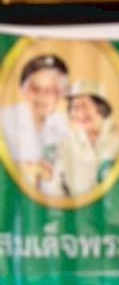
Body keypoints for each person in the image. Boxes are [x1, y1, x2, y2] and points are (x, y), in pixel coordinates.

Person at [42, 79, 119, 198]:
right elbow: (55, 189)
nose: (80, 113)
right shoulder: (65, 144)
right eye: (75, 107)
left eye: (85, 105)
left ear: (101, 107)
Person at [0, 53, 70, 189]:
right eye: (35, 89)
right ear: (23, 91)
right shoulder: (4, 120)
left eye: (50, 91)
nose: (41, 97)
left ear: (60, 95)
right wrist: (26, 168)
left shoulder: (63, 127)